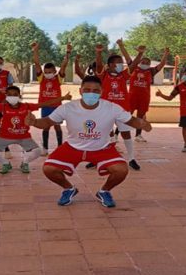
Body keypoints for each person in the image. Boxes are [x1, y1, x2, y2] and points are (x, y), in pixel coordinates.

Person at [26, 75, 152, 208]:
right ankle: (69, 189)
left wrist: (143, 124)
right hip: (73, 147)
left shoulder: (112, 107)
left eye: (96, 91)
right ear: (80, 91)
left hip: (102, 148)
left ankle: (104, 191)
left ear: (101, 92)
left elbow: (132, 120)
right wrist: (34, 122)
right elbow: (46, 121)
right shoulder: (68, 108)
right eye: (86, 90)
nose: (91, 93)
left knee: (121, 170)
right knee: (49, 168)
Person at [75, 44, 144, 171]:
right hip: (105, 110)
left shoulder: (123, 75)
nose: (121, 65)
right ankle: (98, 159)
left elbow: (133, 65)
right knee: (103, 134)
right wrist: (98, 52)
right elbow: (100, 65)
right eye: (118, 63)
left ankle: (131, 159)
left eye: (121, 63)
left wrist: (140, 54)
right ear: (111, 64)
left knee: (125, 133)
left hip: (122, 109)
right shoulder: (103, 75)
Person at [0, 85, 70, 174]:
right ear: (6, 96)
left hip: (24, 137)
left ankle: (25, 163)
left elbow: (44, 104)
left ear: (19, 95)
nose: (12, 96)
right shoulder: (3, 106)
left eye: (15, 95)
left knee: (38, 151)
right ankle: (5, 163)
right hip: (5, 136)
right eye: (10, 95)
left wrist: (63, 98)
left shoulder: (26, 106)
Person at [122, 40, 168, 143]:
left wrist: (165, 54)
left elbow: (162, 64)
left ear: (150, 65)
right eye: (143, 62)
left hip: (144, 98)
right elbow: (127, 57)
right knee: (127, 115)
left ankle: (138, 136)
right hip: (132, 97)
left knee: (140, 117)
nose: (145, 64)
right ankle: (117, 133)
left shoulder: (151, 71)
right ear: (139, 62)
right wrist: (121, 45)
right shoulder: (133, 68)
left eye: (147, 63)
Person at [33, 41, 69, 156]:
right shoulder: (41, 78)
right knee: (46, 127)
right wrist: (35, 50)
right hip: (45, 107)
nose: (48, 74)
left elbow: (64, 65)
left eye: (50, 72)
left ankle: (60, 147)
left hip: (56, 107)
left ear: (55, 72)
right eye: (46, 72)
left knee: (58, 127)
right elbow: (37, 63)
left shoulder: (58, 79)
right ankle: (45, 148)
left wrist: (68, 52)